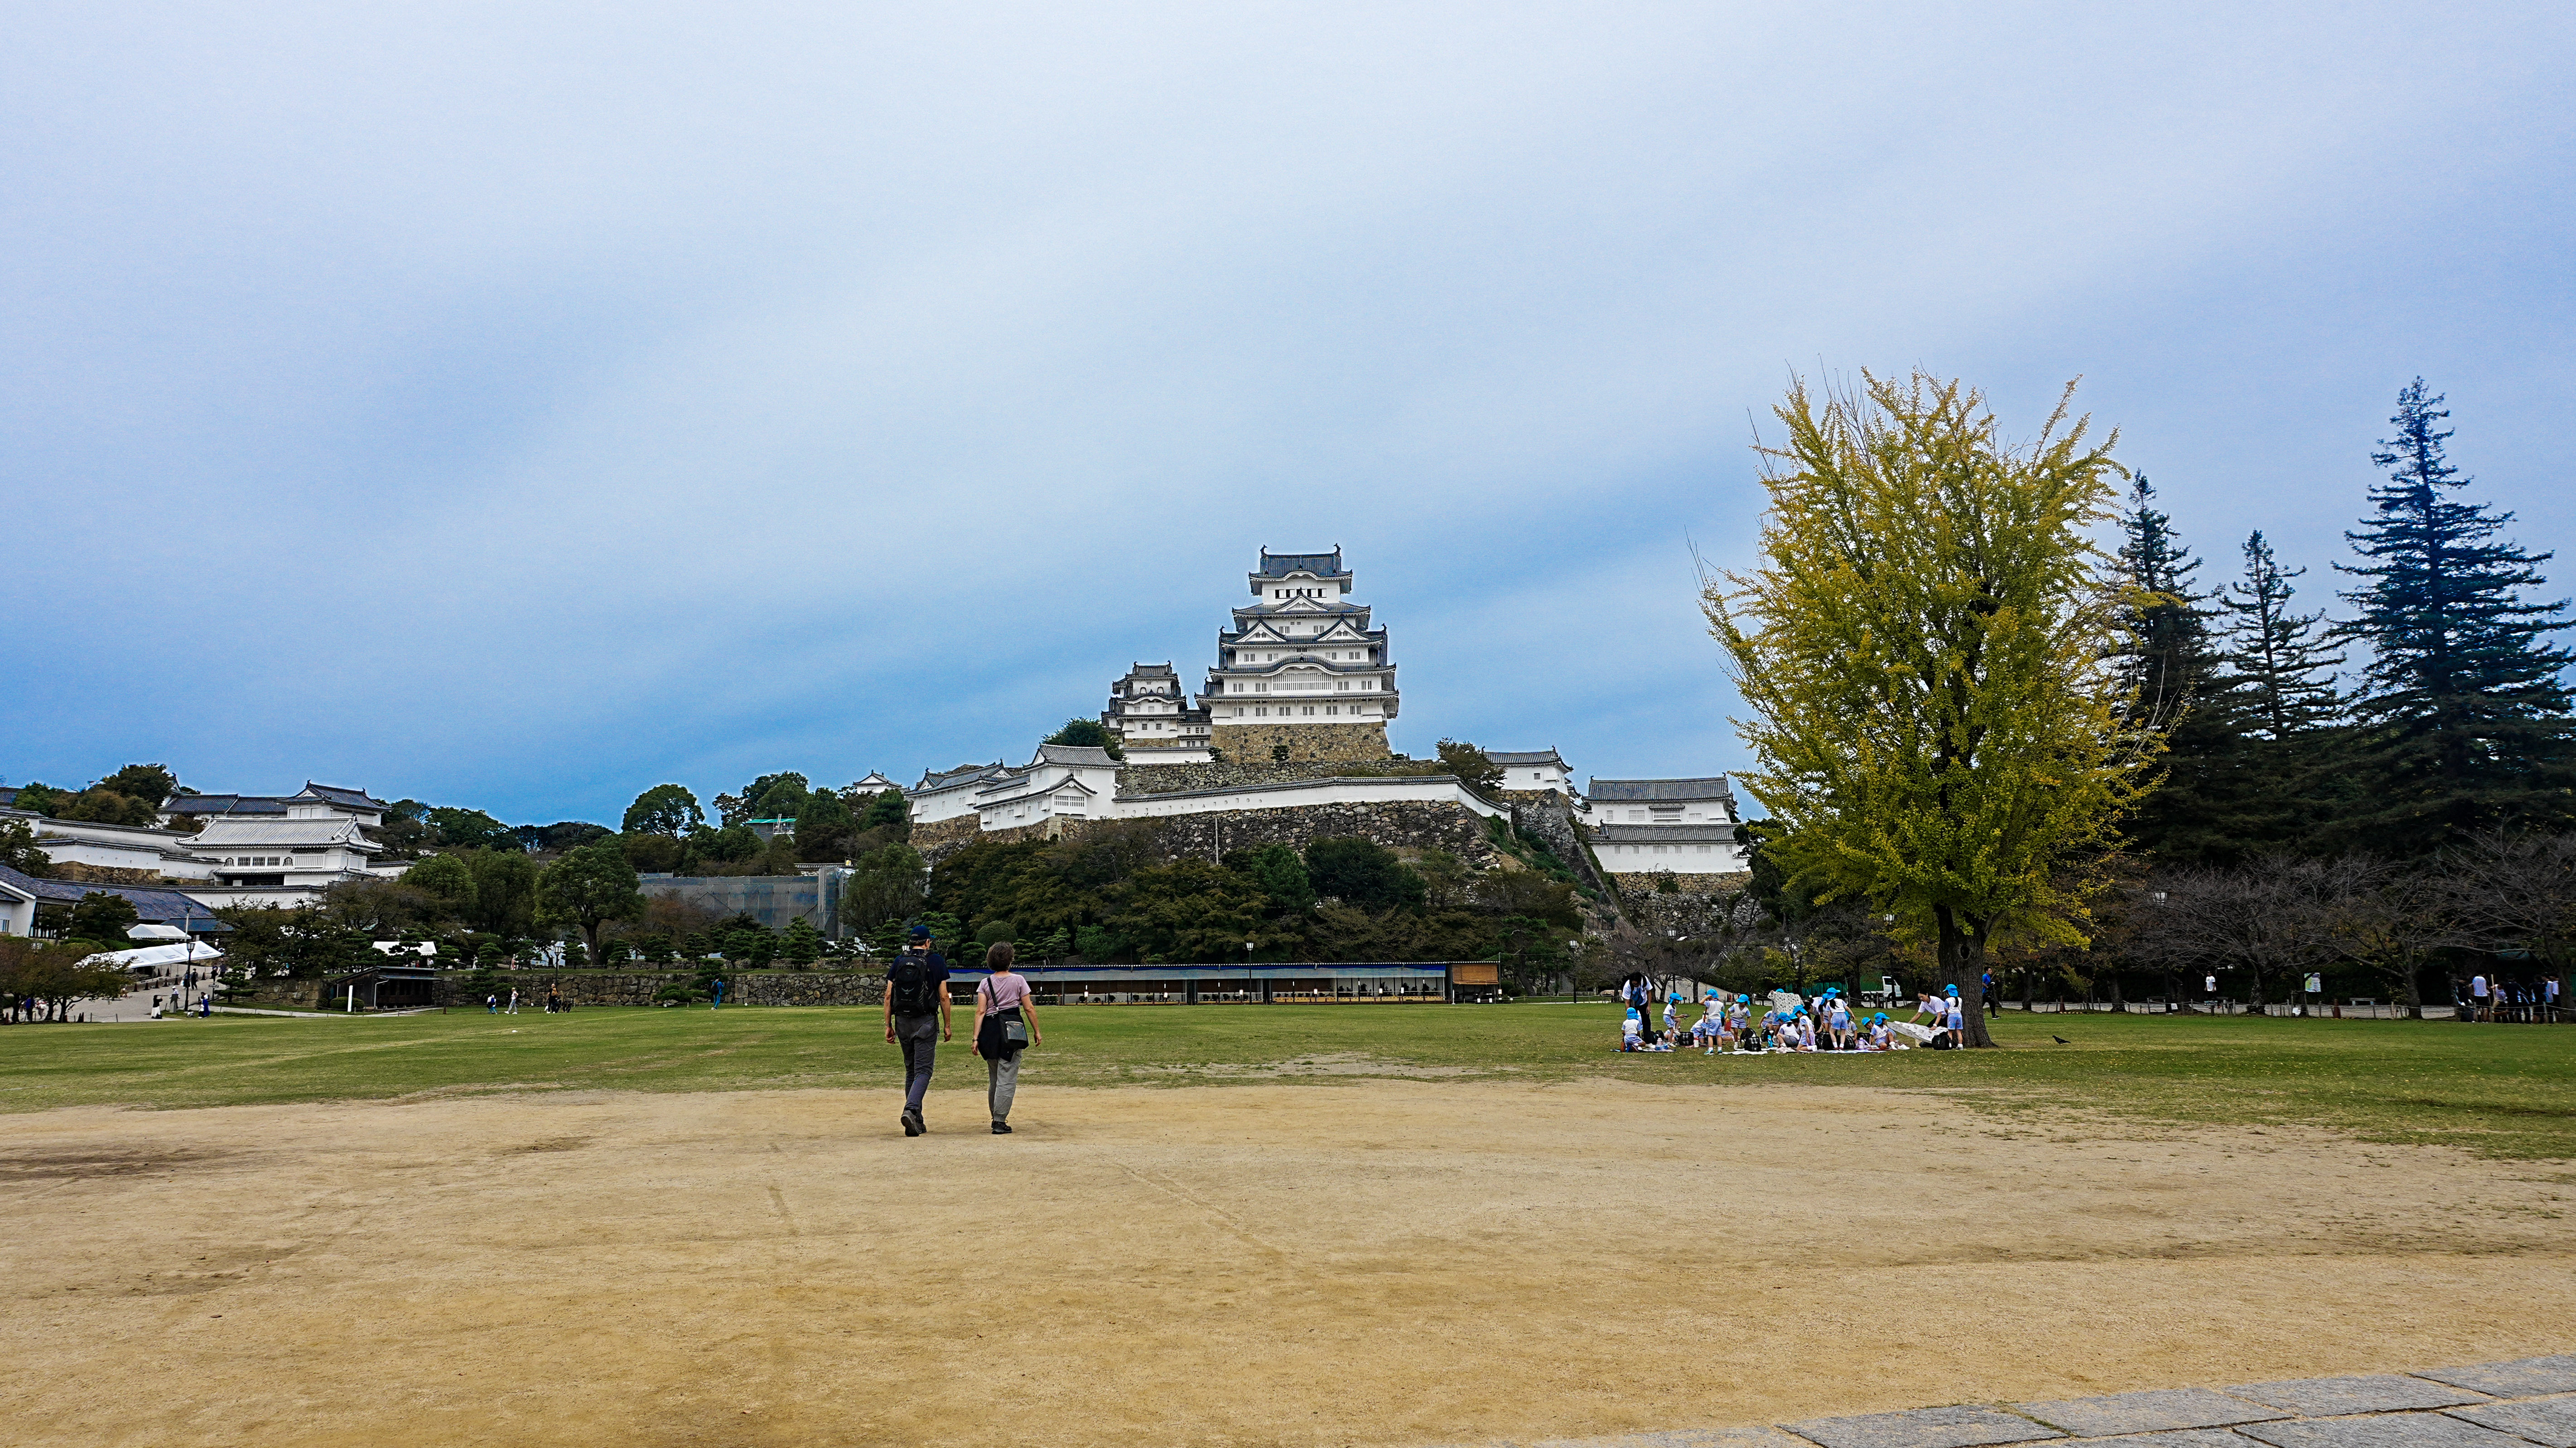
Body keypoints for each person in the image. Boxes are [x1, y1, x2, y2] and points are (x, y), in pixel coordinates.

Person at [883, 924, 952, 1136]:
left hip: (903, 1021)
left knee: (911, 1070)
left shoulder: (899, 961)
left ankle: (917, 1122)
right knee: (924, 1071)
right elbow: (943, 996)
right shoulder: (936, 961)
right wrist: (948, 1024)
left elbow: (888, 995)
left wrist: (888, 1025)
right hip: (926, 1022)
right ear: (928, 942)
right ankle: (911, 1110)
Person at [969, 942, 1042, 1134]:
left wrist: (976, 1038)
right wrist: (1037, 1031)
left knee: (995, 1077)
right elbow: (1028, 1008)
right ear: (1010, 960)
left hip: (989, 1032)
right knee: (1007, 1076)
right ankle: (999, 1121)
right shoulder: (1018, 980)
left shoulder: (986, 983)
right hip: (1011, 1030)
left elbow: (981, 1011)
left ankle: (996, 1115)